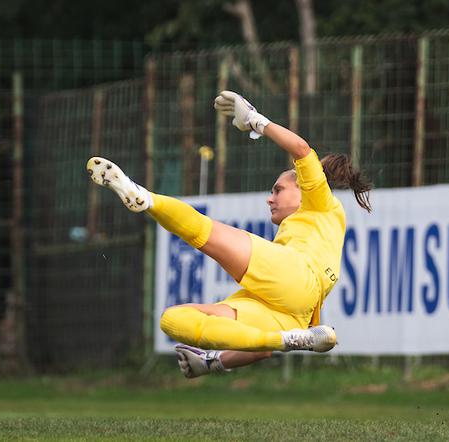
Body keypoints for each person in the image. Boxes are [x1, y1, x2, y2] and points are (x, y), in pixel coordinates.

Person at [86, 90, 372, 378]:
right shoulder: (305, 229)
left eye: (278, 190)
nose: (270, 199)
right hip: (296, 316)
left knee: (206, 233)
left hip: (300, 277)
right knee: (173, 319)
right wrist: (216, 361)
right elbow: (258, 350)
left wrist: (254, 120)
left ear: (304, 189)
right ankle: (247, 351)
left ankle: (145, 198)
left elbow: (301, 149)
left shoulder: (320, 201)